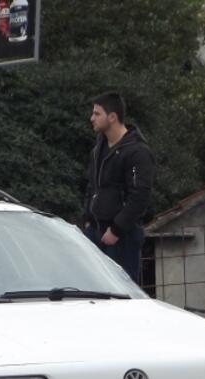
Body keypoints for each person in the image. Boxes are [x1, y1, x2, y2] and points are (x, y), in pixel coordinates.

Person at [82, 92, 155, 284]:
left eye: (97, 114)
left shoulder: (137, 152)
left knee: (121, 294)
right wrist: (88, 220)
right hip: (96, 232)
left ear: (112, 117)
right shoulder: (99, 149)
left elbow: (139, 195)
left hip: (121, 238)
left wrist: (116, 230)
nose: (92, 118)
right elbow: (92, 185)